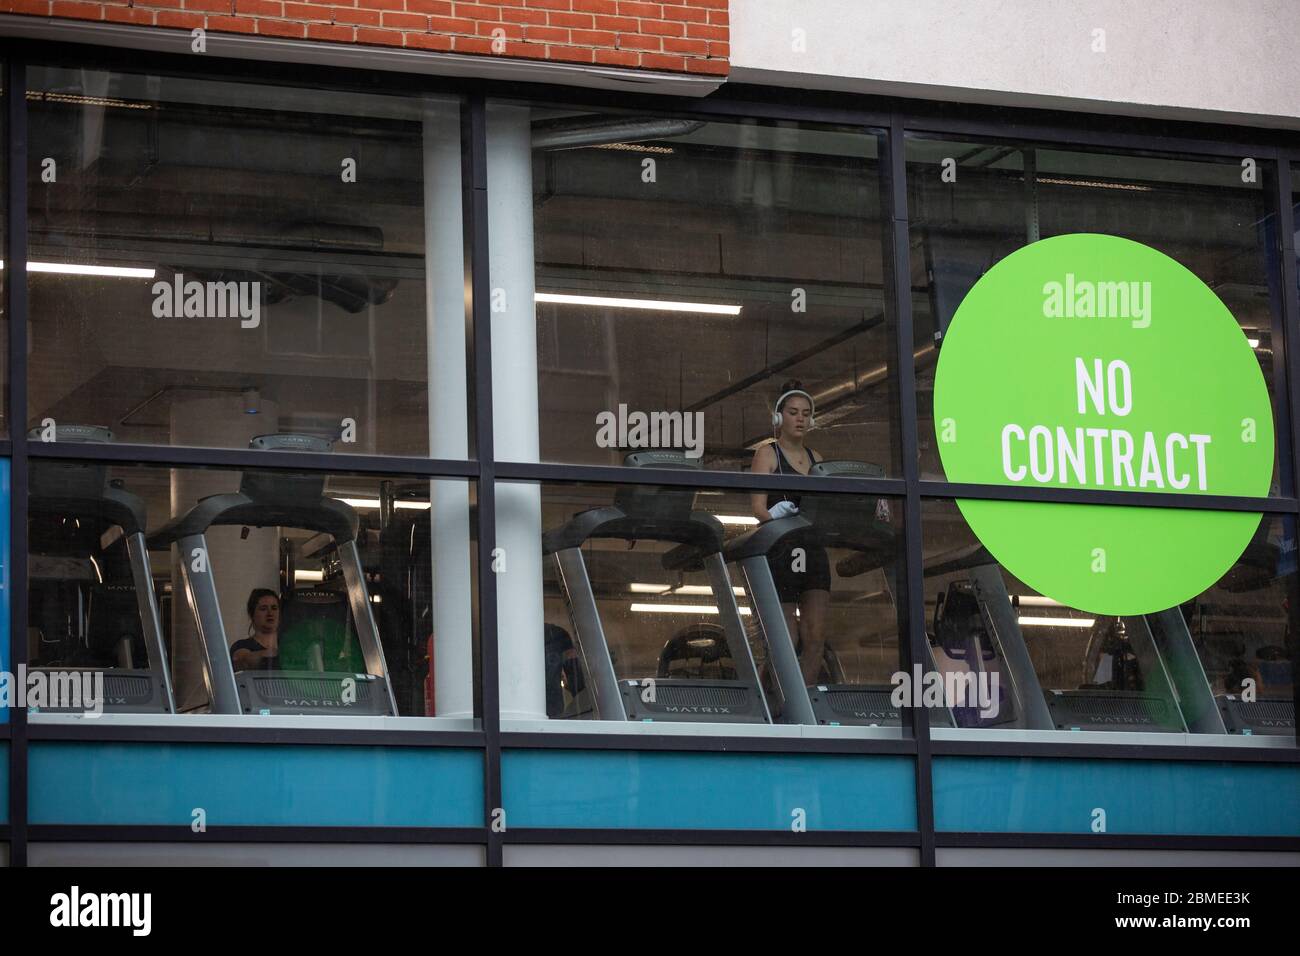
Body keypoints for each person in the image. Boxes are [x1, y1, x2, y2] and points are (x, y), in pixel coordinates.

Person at [750, 381, 831, 685]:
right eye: (793, 412)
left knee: (815, 636)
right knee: (787, 639)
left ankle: (803, 705)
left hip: (813, 549)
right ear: (778, 417)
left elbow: (827, 506)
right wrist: (774, 516)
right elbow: (757, 507)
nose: (800, 419)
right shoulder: (767, 454)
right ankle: (775, 702)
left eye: (806, 414)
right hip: (782, 550)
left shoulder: (817, 459)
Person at [230, 588, 281, 671]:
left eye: (274, 608)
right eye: (263, 609)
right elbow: (242, 660)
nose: (270, 613)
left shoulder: (289, 645)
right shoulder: (241, 645)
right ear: (252, 614)